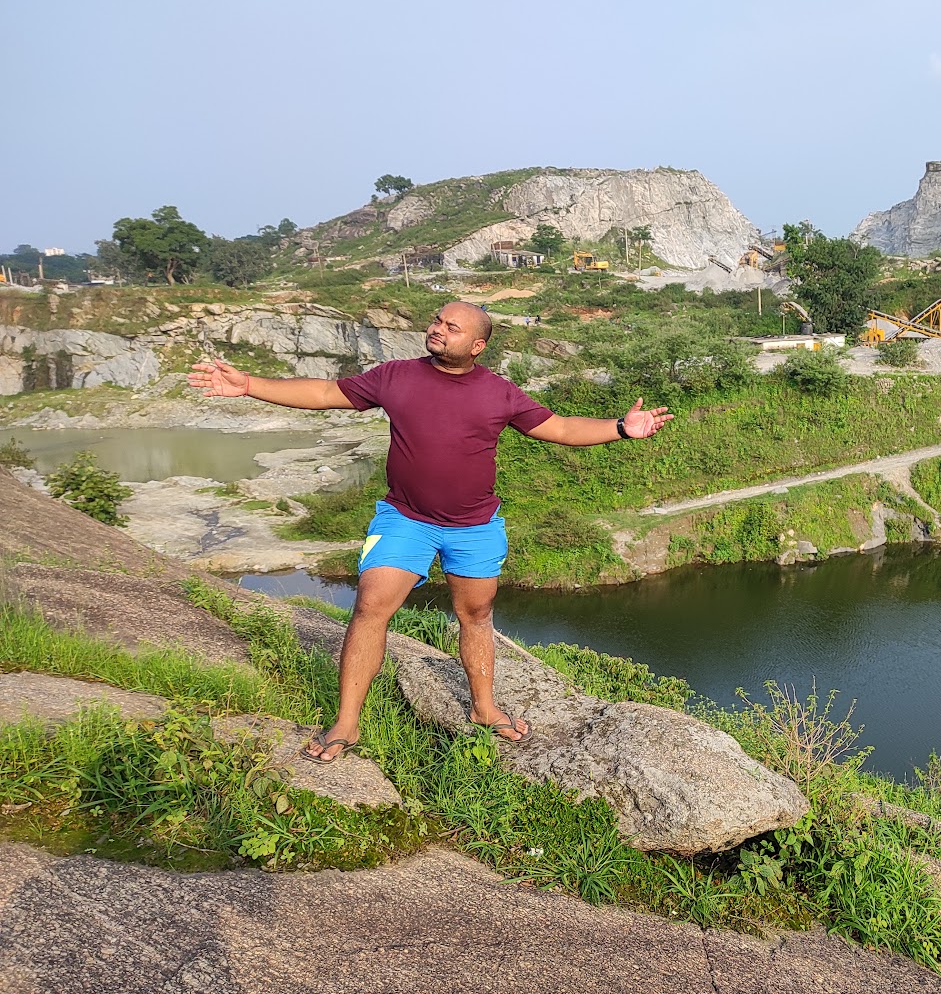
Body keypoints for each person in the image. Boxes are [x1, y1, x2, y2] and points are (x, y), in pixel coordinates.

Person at [188, 301, 672, 762]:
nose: (437, 329)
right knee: (371, 604)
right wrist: (249, 384)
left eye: (452, 327)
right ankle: (346, 722)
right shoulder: (395, 376)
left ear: (477, 345)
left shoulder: (500, 392)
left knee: (476, 614)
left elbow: (562, 429)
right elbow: (322, 393)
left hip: (475, 526)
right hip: (405, 519)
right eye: (437, 321)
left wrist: (622, 428)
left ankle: (483, 707)